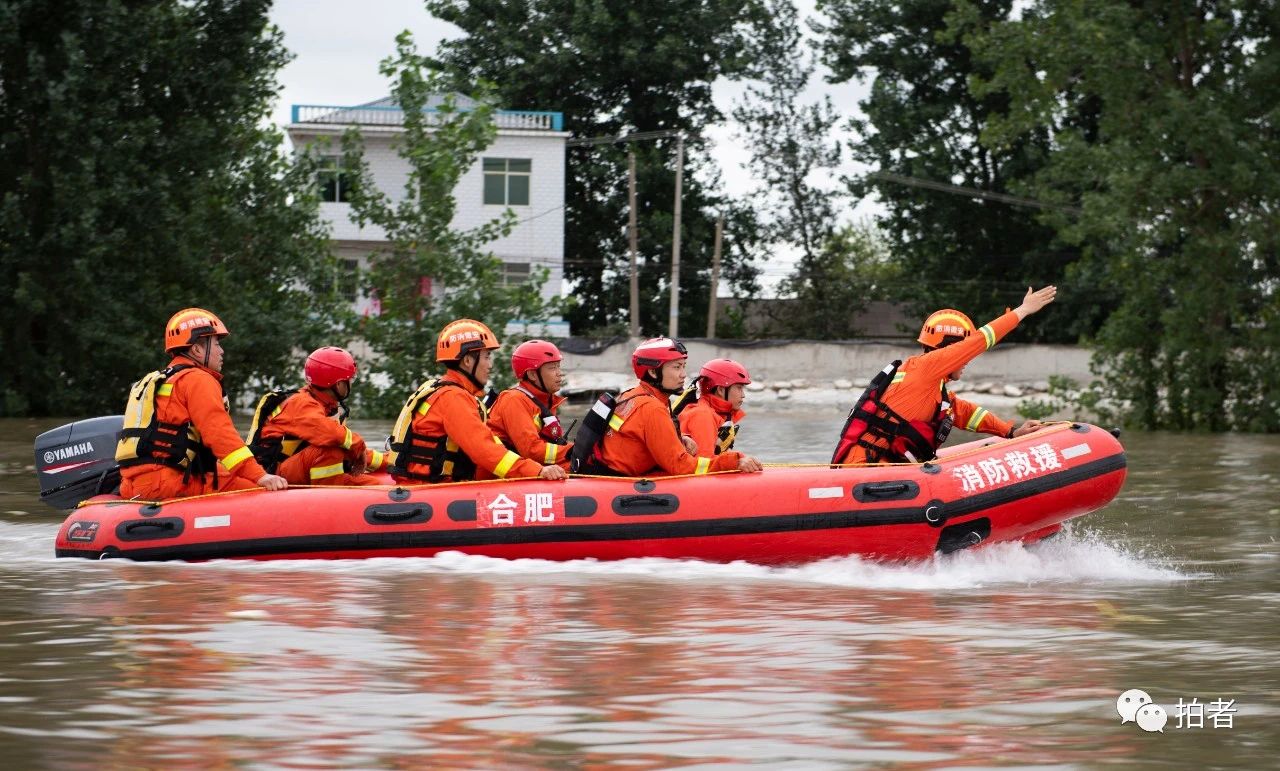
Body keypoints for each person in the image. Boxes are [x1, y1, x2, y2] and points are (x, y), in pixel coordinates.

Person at [832, 286, 1058, 465]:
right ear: (948, 349)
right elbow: (980, 340)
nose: (967, 360)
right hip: (865, 468)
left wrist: (1011, 432)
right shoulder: (925, 368)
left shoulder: (931, 386)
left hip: (884, 469)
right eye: (962, 354)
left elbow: (964, 413)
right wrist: (1023, 310)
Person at [116, 308, 288, 499]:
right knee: (261, 492)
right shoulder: (197, 379)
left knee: (228, 473)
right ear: (196, 349)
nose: (222, 351)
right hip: (167, 483)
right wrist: (261, 476)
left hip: (132, 484)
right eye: (216, 344)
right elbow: (220, 436)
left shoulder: (160, 380)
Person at [387, 319, 566, 483]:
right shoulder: (453, 397)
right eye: (487, 357)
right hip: (428, 488)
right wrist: (537, 470)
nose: (490, 365)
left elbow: (490, 444)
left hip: (426, 484)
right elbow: (484, 450)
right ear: (467, 360)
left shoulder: (441, 389)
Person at [584, 338, 763, 477]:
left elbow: (639, 437)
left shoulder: (632, 395)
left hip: (607, 471)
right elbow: (681, 466)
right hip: (617, 482)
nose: (683, 375)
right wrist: (733, 461)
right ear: (653, 372)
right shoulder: (652, 408)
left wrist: (680, 438)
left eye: (683, 367)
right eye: (677, 367)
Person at [246, 347, 387, 486]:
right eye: (350, 380)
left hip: (296, 467)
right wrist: (358, 445)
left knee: (377, 486)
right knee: (330, 449)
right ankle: (331, 498)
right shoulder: (300, 403)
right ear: (338, 384)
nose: (351, 384)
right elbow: (333, 436)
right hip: (273, 475)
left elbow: (348, 445)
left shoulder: (326, 406)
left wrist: (389, 462)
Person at [488, 339, 573, 468]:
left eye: (558, 366)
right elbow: (532, 450)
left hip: (527, 473)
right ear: (533, 374)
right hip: (499, 480)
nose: (559, 373)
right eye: (552, 368)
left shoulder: (545, 401)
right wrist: (572, 451)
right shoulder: (514, 400)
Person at [677, 358, 751, 458]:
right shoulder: (702, 416)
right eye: (739, 388)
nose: (743, 395)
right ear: (720, 390)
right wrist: (737, 459)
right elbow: (703, 465)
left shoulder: (717, 414)